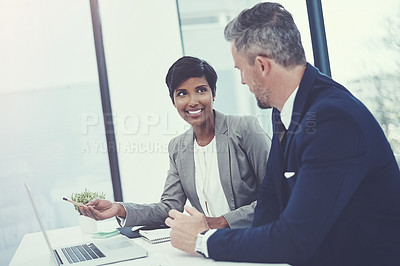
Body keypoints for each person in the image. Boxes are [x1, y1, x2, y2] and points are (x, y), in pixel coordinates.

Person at [165, 2, 400, 266]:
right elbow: (270, 203)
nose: (242, 81)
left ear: (262, 66)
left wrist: (202, 241)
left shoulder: (333, 119)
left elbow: (295, 239)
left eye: (241, 69)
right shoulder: (285, 111)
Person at [80, 56, 271, 229]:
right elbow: (169, 207)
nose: (193, 101)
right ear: (173, 101)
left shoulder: (245, 129)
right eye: (182, 94)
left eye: (201, 90)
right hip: (211, 245)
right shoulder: (178, 148)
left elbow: (278, 194)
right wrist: (119, 208)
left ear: (213, 93)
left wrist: (222, 222)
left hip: (254, 238)